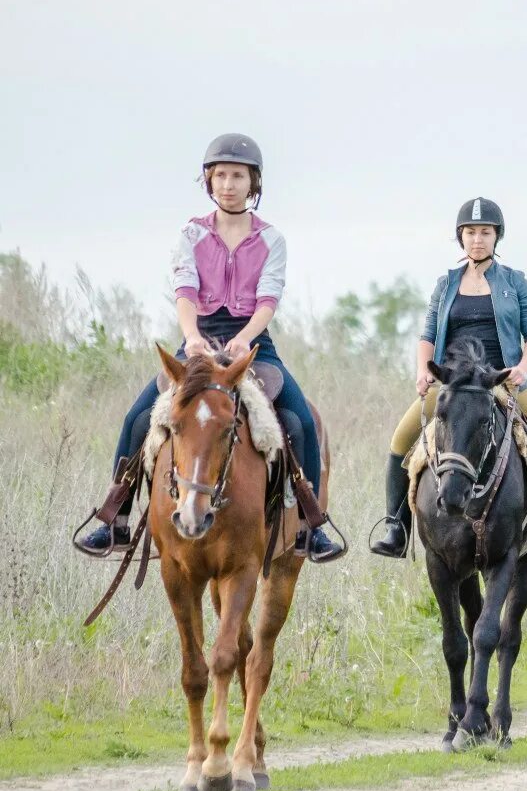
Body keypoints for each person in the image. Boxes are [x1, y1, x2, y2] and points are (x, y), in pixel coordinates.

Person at [75, 133, 341, 560]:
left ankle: (312, 527)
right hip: (198, 338)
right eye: (220, 175)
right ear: (208, 180)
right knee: (139, 416)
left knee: (300, 421)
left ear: (253, 182)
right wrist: (193, 335)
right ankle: (116, 520)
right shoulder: (192, 232)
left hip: (253, 342)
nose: (228, 184)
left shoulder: (272, 240)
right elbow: (184, 288)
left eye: (238, 175)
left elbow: (268, 299)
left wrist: (244, 339)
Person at [369, 198, 527, 561]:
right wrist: (423, 371)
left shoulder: (515, 281)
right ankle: (396, 527)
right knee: (400, 441)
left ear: (497, 237)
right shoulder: (446, 284)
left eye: (485, 232)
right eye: (470, 232)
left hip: (503, 378)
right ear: (460, 237)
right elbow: (427, 335)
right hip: (454, 381)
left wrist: (523, 368)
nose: (477, 239)